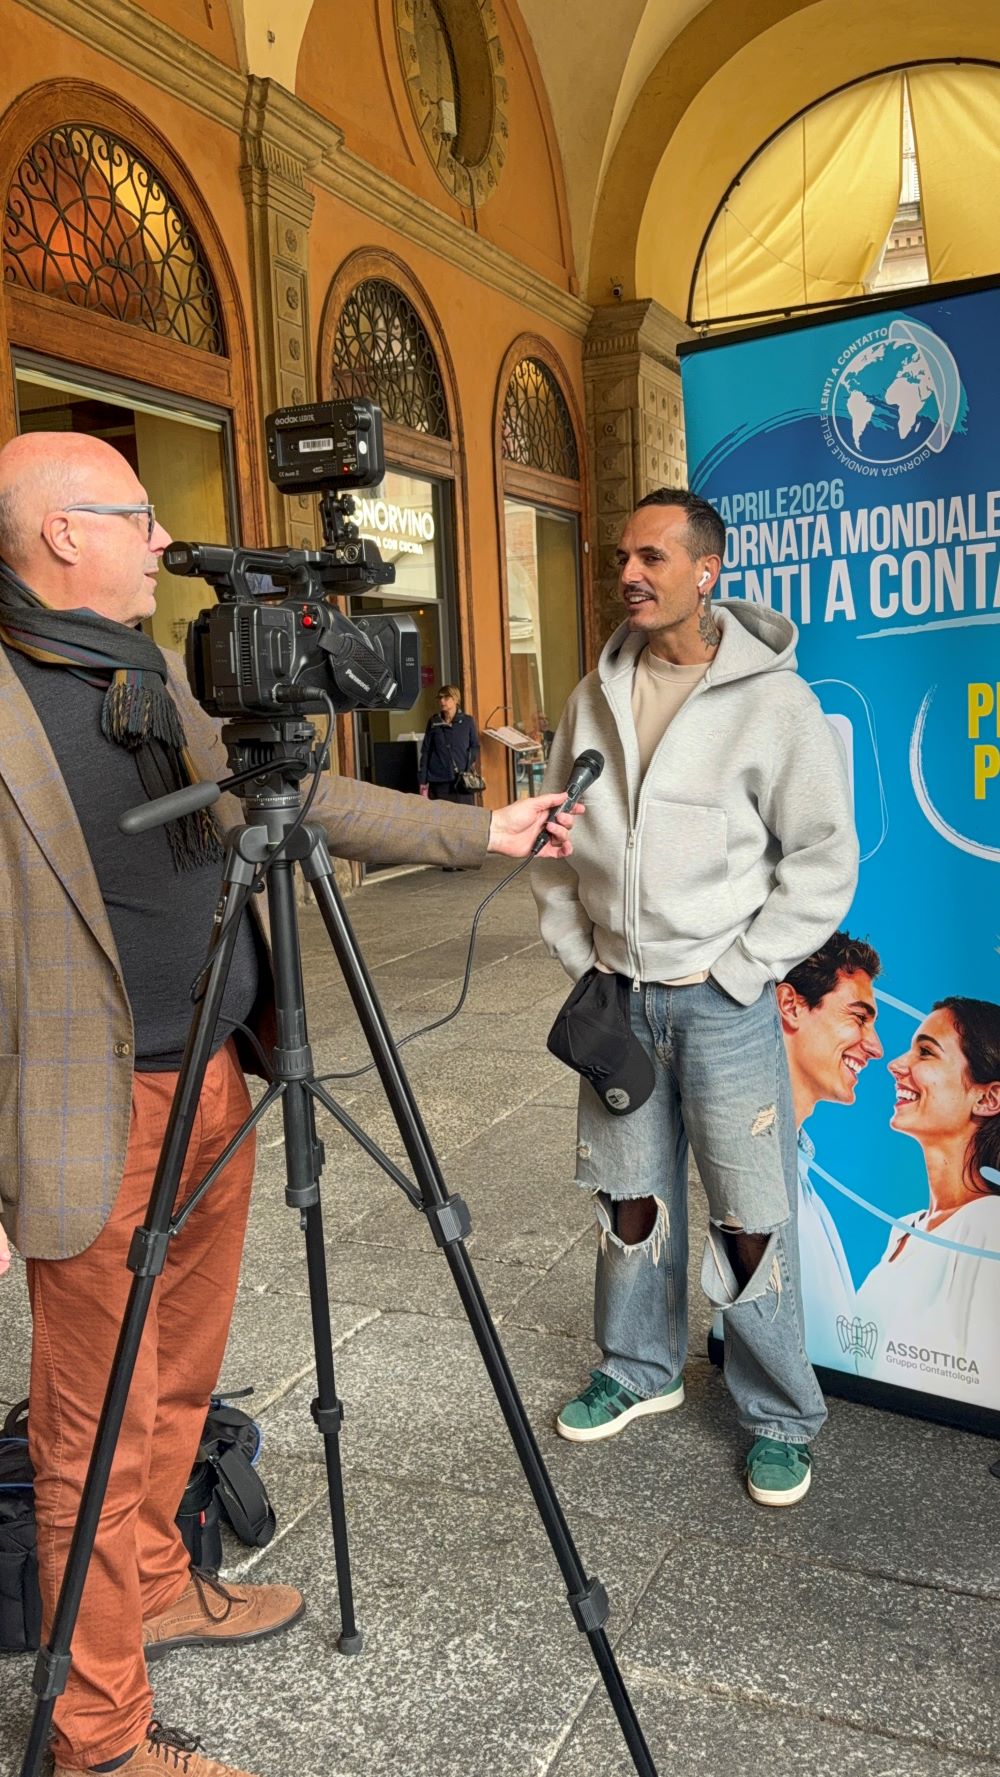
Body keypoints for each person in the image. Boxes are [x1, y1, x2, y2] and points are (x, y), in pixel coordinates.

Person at [0, 432, 582, 1777]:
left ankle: (157, 1580)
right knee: (92, 1428)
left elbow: (286, 793)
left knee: (181, 1374)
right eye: (137, 516)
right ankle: (99, 1739)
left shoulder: (154, 671)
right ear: (61, 535)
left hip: (217, 1065)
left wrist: (480, 831)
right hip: (88, 1113)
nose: (162, 539)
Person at [532, 487, 859, 1508]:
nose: (629, 574)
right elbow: (554, 836)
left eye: (653, 558)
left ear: (706, 570)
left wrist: (744, 968)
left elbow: (823, 859)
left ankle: (779, 1414)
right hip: (615, 1001)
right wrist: (579, 953)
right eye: (622, 557)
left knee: (749, 1215)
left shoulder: (775, 703)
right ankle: (639, 1369)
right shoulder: (593, 695)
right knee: (628, 1199)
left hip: (724, 1005)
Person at [855, 997, 1000, 1394]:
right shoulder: (904, 1230)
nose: (896, 1064)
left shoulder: (989, 1226)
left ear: (987, 1098)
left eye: (926, 1052)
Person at [776, 932, 883, 1368]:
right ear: (791, 1005)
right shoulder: (762, 1171)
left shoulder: (802, 1179)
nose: (876, 1047)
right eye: (858, 1018)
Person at [418, 683, 481, 805]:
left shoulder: (467, 721)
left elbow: (475, 746)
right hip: (438, 781)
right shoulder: (434, 722)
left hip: (461, 781)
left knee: (464, 813)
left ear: (456, 699)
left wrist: (467, 764)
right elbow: (426, 752)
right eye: (440, 698)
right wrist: (422, 780)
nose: (442, 701)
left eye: (446, 698)